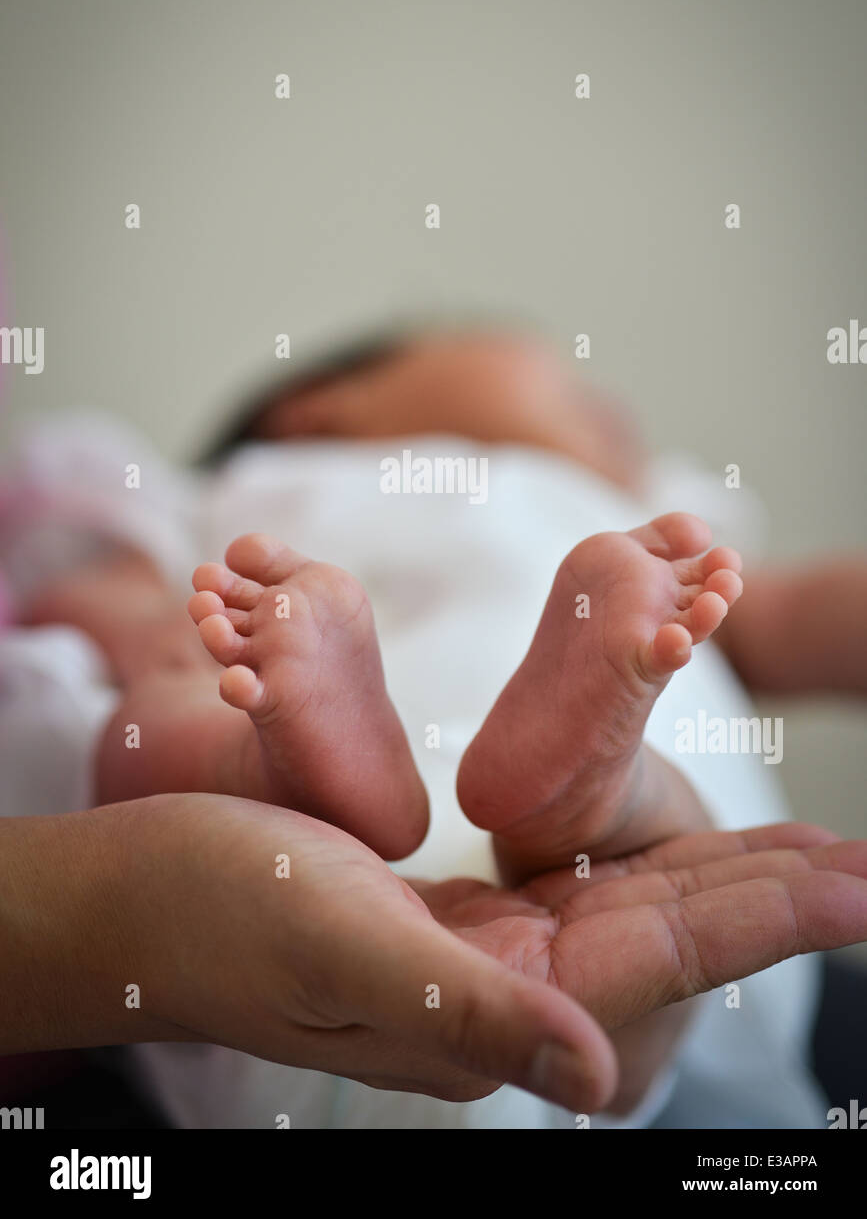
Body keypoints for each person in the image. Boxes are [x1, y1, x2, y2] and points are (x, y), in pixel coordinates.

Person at [2, 327, 865, 1127]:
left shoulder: (645, 537)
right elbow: (94, 593)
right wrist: (145, 635)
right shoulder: (229, 498)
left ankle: (578, 794)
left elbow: (798, 621)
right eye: (561, 373)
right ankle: (289, 778)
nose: (607, 403)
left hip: (628, 913)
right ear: (318, 406)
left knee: (173, 689)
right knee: (160, 698)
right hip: (263, 930)